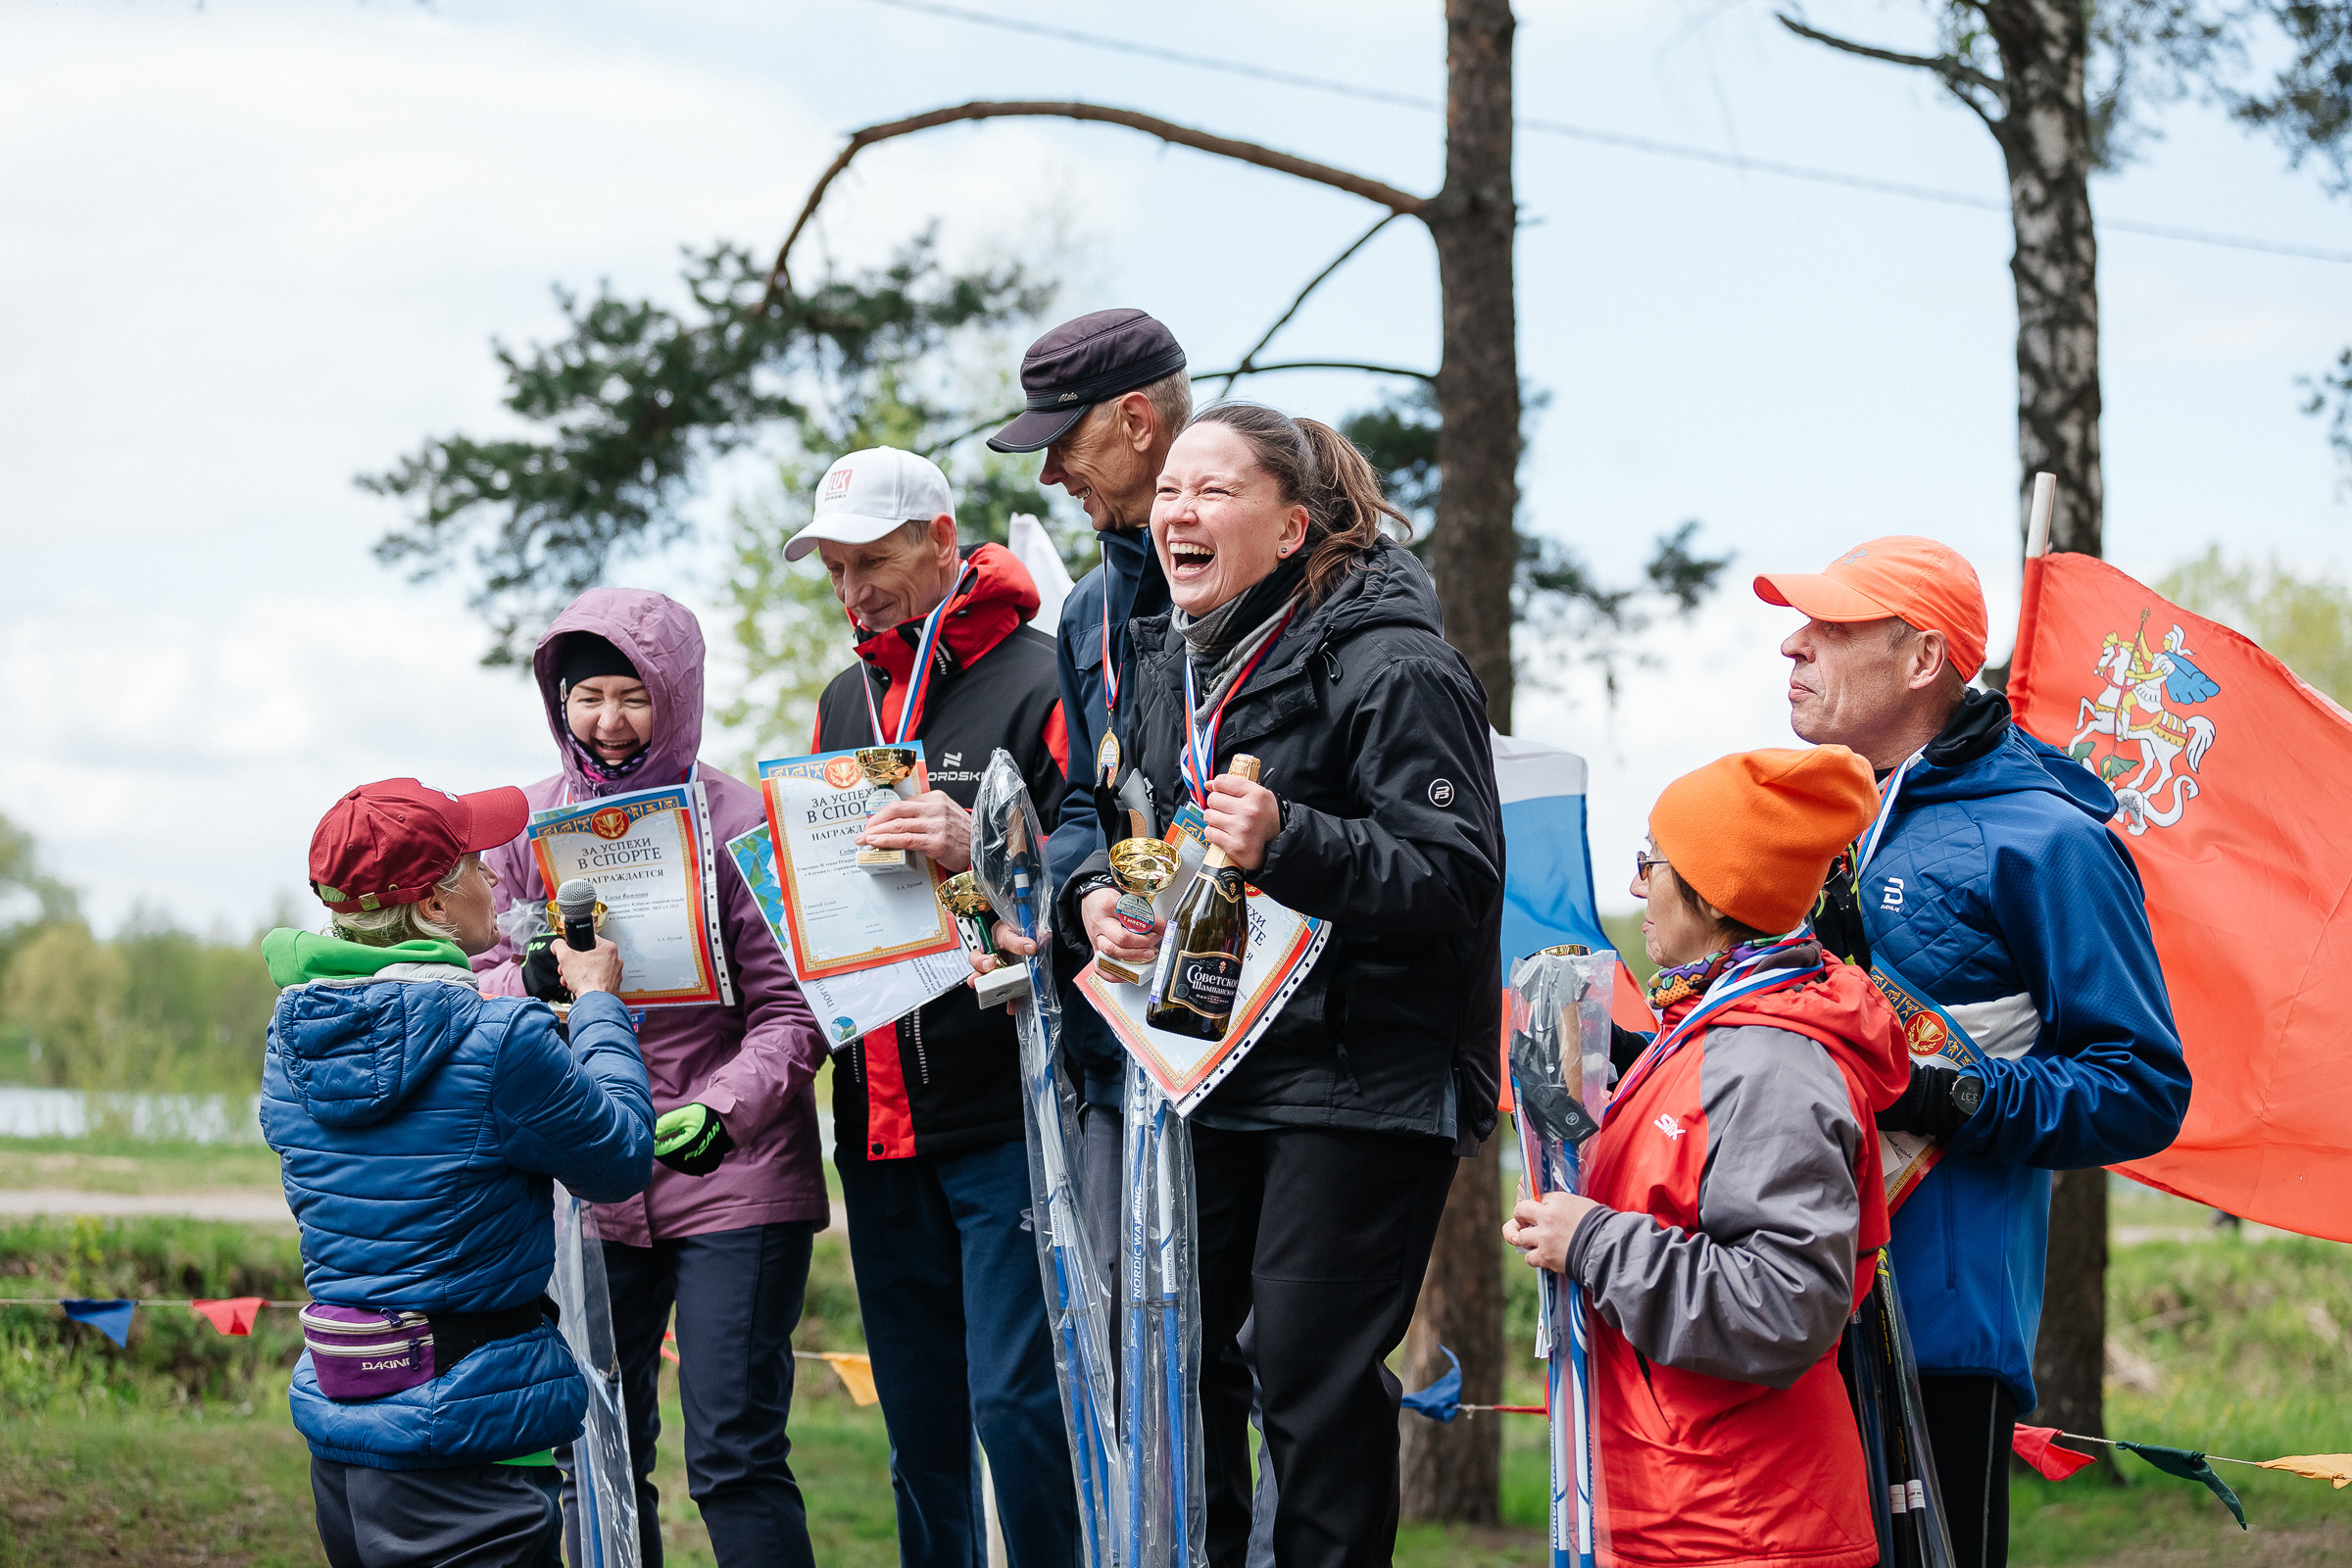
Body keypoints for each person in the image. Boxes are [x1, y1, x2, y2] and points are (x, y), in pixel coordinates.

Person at [1056, 402, 1504, 1567]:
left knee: (1305, 1380)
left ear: (1295, 526)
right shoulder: (1170, 661)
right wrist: (1103, 899)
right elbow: (1131, 832)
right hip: (1209, 1060)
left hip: (1359, 1077)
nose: (1177, 511)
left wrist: (1295, 838)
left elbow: (1457, 875)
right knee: (1185, 1366)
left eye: (1213, 491)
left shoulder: (1396, 662)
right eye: (1168, 494)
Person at [1754, 537, 2191, 1568]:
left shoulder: (2050, 835)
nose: (1791, 645)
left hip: (1941, 1329)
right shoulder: (1815, 823)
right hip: (1784, 1298)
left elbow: (2141, 1085)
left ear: (1921, 659)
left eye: (1831, 627)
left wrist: (1951, 1095)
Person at [471, 590, 832, 1568]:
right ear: (558, 702)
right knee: (592, 1445)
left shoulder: (741, 822)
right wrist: (529, 976)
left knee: (734, 1452)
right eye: (587, 696)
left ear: (677, 696)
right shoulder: (524, 829)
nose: (610, 721)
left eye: (634, 696)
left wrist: (726, 1108)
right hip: (588, 1177)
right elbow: (473, 977)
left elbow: (797, 1009)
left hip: (734, 1178)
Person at [1504, 748, 1909, 1568]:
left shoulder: (1772, 1063)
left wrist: (1591, 1241)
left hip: (1745, 1526)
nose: (1635, 888)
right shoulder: (1705, 1034)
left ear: (1716, 891)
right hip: (1681, 1509)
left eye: (1650, 864)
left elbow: (1786, 1304)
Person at [789, 444, 1076, 1568]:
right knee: (920, 1436)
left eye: (870, 561)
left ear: (943, 541)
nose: (852, 590)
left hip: (1001, 1108)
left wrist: (986, 845)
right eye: (833, 568)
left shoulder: (1044, 675)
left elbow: (1108, 878)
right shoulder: (842, 697)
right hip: (876, 1112)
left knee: (1018, 1410)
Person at [260, 778, 653, 1568]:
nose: (494, 881)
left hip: (347, 1426)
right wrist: (599, 1005)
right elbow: (618, 1159)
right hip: (467, 1432)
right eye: (475, 864)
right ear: (435, 909)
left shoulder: (289, 1036)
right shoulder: (500, 1038)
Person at [988, 305, 1190, 1293]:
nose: (1050, 475)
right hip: (1120, 1049)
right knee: (1125, 1337)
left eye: (1063, 443)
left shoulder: (1293, 572)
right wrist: (1081, 896)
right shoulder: (1086, 612)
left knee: (1270, 1370)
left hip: (1270, 1061)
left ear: (1138, 422)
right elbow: (1083, 808)